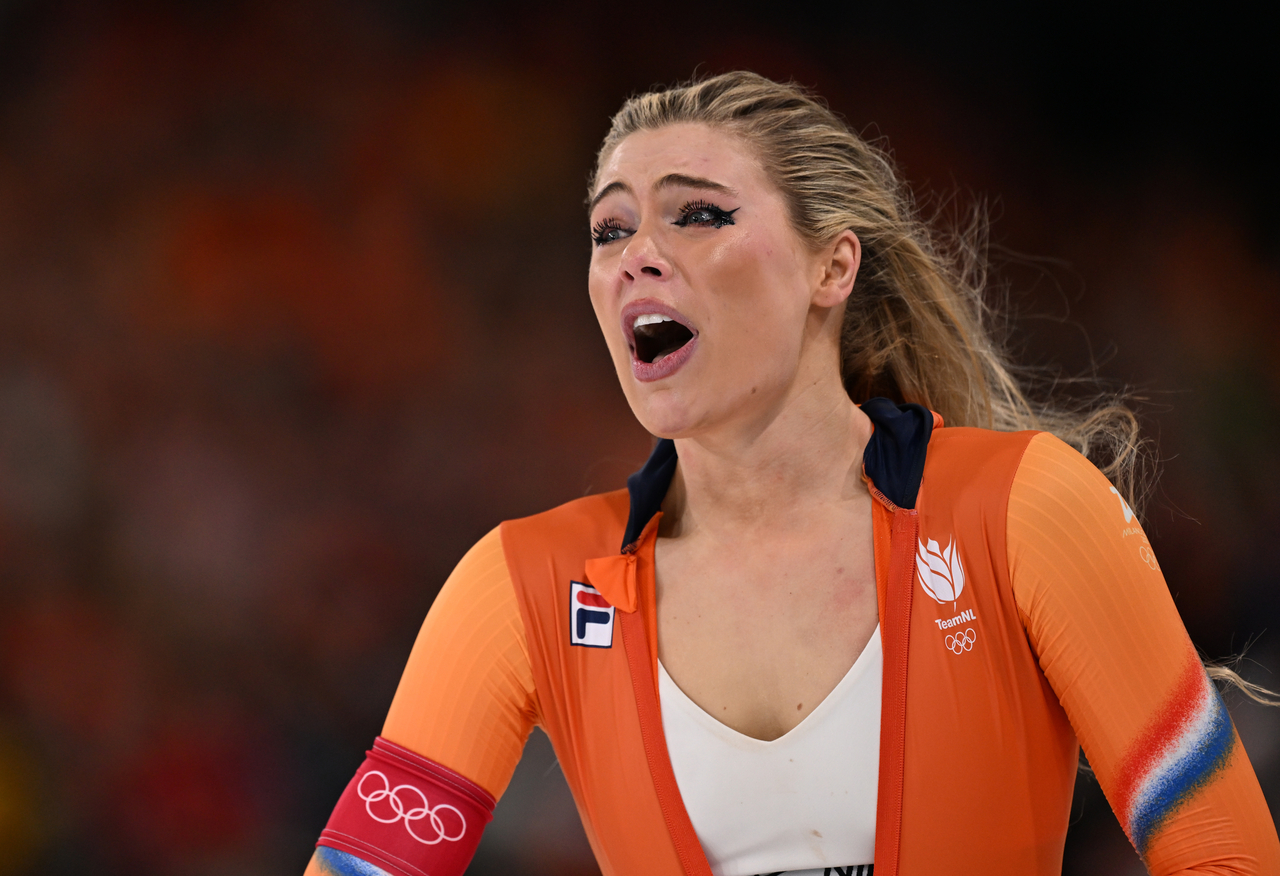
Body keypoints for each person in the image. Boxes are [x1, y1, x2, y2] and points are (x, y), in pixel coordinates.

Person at [303, 72, 1280, 876]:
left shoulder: (1026, 509)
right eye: (609, 230)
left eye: (697, 214)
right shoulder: (522, 586)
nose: (638, 255)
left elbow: (1226, 856)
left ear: (832, 268)